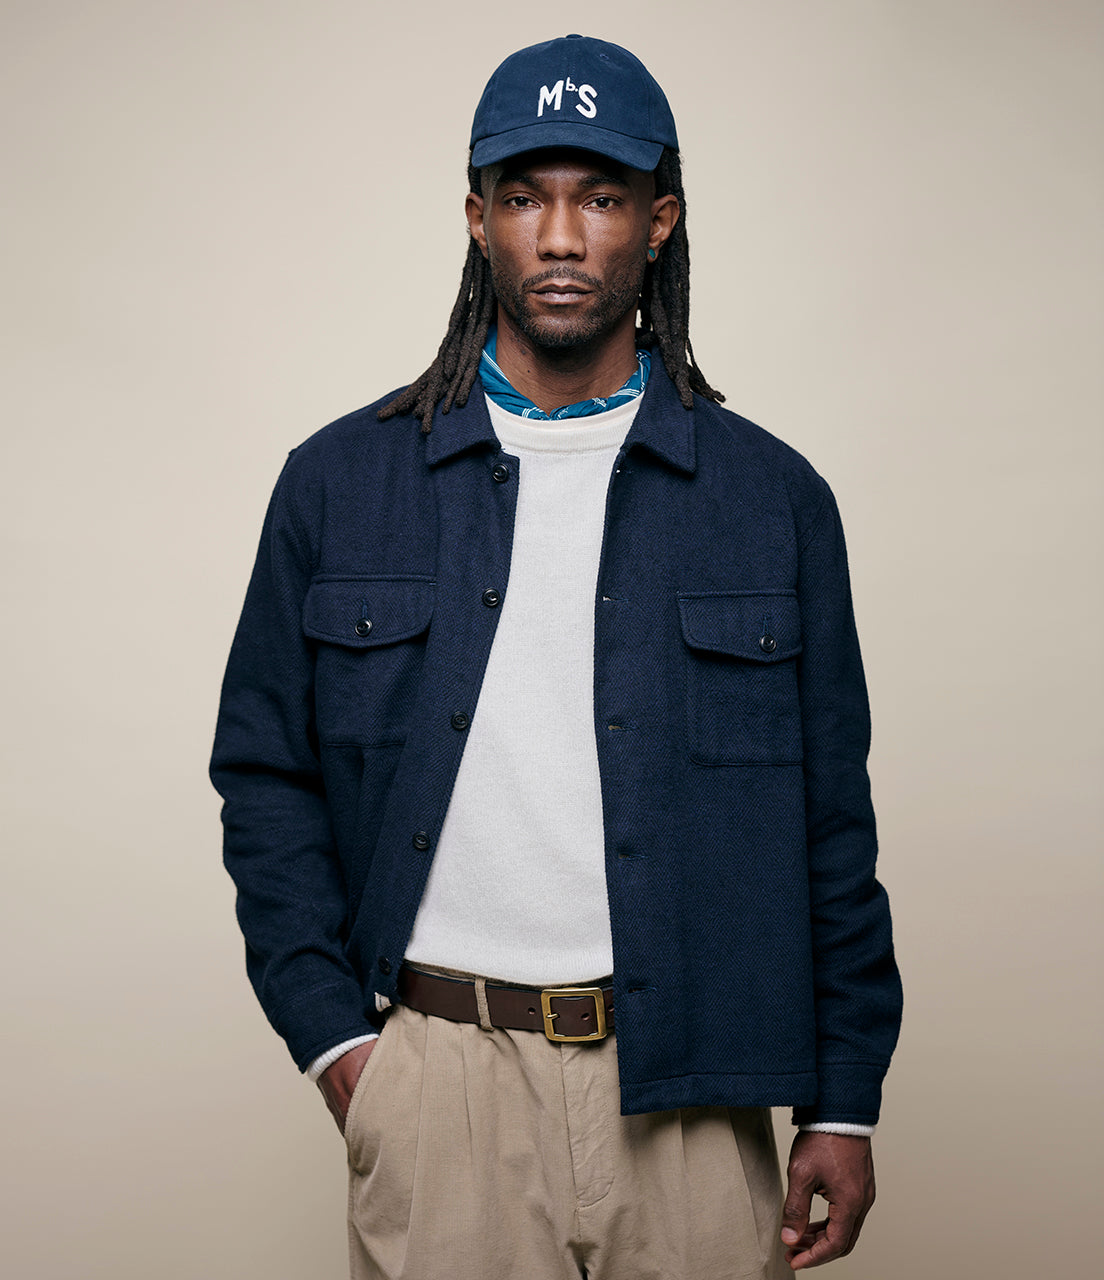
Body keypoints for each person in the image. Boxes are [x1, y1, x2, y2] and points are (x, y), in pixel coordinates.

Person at [210, 33, 902, 1280]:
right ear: (477, 219)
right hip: (439, 1084)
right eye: (527, 197)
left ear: (661, 218)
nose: (565, 237)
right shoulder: (339, 484)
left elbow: (830, 819)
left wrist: (844, 1097)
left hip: (692, 1091)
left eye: (602, 197)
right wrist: (340, 1049)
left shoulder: (773, 499)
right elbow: (266, 777)